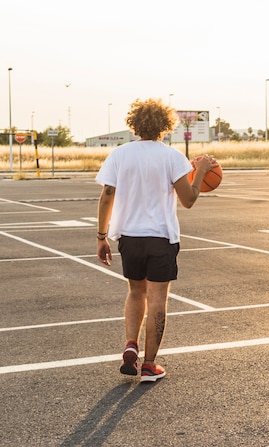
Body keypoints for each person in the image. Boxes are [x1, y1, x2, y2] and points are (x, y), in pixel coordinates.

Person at [96, 98, 218, 382]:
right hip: (161, 238)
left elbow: (107, 197)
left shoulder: (119, 154)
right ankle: (149, 365)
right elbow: (188, 200)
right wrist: (199, 173)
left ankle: (130, 344)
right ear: (166, 125)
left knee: (135, 291)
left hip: (129, 237)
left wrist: (102, 237)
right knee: (158, 300)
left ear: (134, 124)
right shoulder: (172, 156)